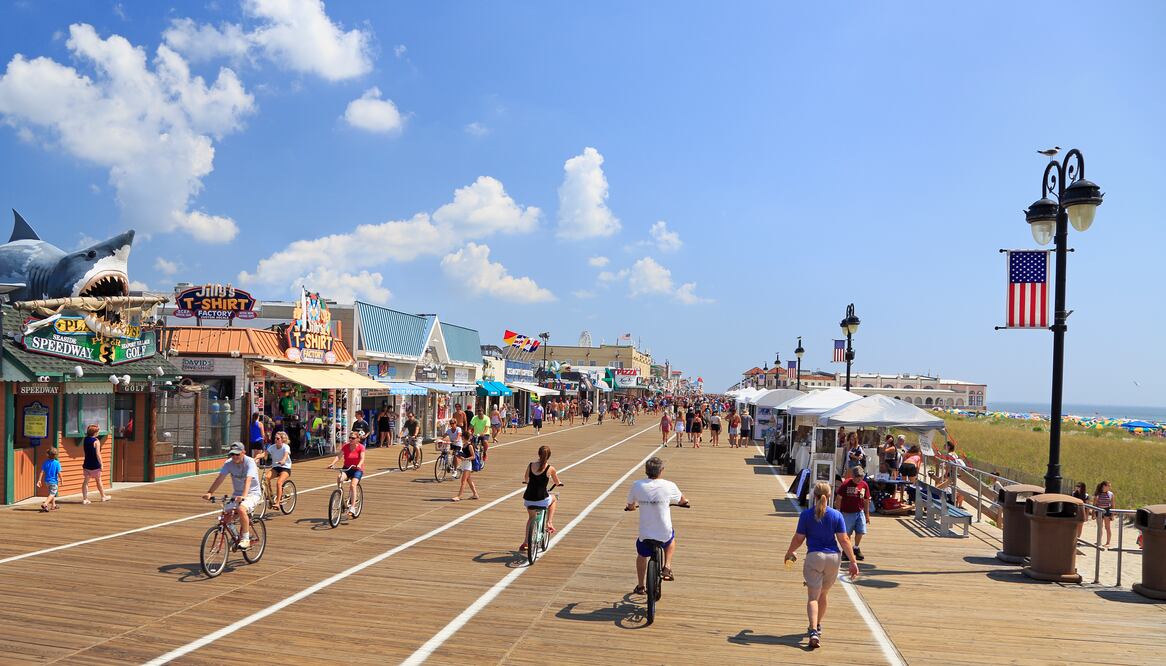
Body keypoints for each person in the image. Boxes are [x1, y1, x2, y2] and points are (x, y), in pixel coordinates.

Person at [784, 481, 860, 650]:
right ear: (830, 495)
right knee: (823, 594)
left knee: (813, 597)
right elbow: (844, 539)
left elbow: (799, 538)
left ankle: (813, 631)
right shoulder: (836, 515)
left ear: (814, 495)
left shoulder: (806, 515)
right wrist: (853, 562)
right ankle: (818, 625)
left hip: (815, 557)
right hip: (833, 558)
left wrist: (789, 552)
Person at [625, 457, 689, 595]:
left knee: (642, 554)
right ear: (661, 471)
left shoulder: (637, 485)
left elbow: (630, 505)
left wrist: (631, 508)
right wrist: (684, 502)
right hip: (663, 531)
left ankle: (641, 586)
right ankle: (667, 566)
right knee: (670, 539)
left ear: (646, 471)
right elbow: (683, 500)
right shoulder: (669, 485)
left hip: (645, 532)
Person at [202, 442, 261, 548]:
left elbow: (248, 481)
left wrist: (243, 496)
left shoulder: (250, 462)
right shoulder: (228, 463)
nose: (234, 457)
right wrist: (210, 492)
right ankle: (236, 536)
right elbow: (220, 478)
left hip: (252, 493)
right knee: (225, 516)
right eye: (232, 454)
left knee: (241, 509)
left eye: (237, 454)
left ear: (244, 452)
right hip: (237, 494)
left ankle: (246, 538)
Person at [520, 445, 563, 552]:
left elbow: (526, 479)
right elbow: (557, 482)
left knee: (531, 518)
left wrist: (527, 482)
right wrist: (559, 483)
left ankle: (526, 542)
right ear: (549, 456)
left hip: (529, 498)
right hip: (542, 499)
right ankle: (549, 522)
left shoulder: (530, 465)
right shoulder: (550, 468)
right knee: (553, 498)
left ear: (538, 454)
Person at [835, 466, 871, 561]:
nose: (859, 479)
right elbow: (839, 498)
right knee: (847, 533)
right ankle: (846, 551)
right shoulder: (846, 484)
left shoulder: (864, 485)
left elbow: (866, 500)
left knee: (861, 530)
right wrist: (838, 512)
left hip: (860, 512)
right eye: (857, 477)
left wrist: (867, 514)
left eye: (861, 476)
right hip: (847, 512)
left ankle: (855, 547)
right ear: (853, 476)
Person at [327, 433, 366, 516]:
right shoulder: (346, 446)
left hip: (357, 469)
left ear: (358, 439)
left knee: (353, 485)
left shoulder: (361, 447)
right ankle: (340, 493)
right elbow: (339, 456)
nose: (351, 439)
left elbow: (362, 458)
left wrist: (359, 464)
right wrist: (332, 463)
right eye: (350, 438)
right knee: (339, 477)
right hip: (347, 468)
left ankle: (353, 507)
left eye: (353, 438)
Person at [255, 431, 293, 509]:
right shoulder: (272, 447)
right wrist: (256, 457)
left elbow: (286, 455)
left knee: (279, 483)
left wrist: (283, 460)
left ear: (282, 439)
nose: (276, 440)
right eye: (275, 438)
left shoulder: (285, 447)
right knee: (265, 478)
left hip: (285, 467)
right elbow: (264, 454)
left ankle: (278, 503)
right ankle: (271, 495)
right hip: (276, 467)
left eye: (278, 438)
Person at [81, 424, 110, 504]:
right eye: (98, 431)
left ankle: (85, 499)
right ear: (95, 433)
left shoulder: (85, 439)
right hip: (95, 465)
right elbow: (98, 454)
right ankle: (103, 496)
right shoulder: (96, 441)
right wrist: (101, 464)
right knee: (98, 481)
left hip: (87, 464)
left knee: (86, 481)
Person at [451, 430, 479, 501]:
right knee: (469, 480)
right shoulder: (464, 445)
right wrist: (459, 456)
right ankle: (475, 494)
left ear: (464, 437)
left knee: (463, 481)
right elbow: (464, 454)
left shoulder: (470, 446)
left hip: (468, 465)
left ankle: (459, 496)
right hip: (464, 464)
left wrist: (465, 458)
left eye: (462, 437)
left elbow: (473, 456)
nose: (461, 438)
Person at [38, 446, 62, 512]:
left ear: (48, 455)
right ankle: (45, 504)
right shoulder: (57, 463)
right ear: (56, 455)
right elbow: (59, 473)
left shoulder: (45, 462)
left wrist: (39, 480)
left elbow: (42, 472)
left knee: (51, 493)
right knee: (52, 494)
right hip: (54, 481)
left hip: (47, 482)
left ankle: (53, 505)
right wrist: (62, 480)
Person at [1094, 480, 1114, 548]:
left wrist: (1112, 514)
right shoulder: (1098, 493)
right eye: (1108, 486)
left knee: (1107, 527)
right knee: (1100, 527)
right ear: (1104, 486)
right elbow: (1095, 504)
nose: (1110, 487)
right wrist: (1093, 513)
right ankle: (1099, 541)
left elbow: (1112, 504)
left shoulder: (1110, 494)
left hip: (1107, 510)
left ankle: (1108, 542)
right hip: (1099, 510)